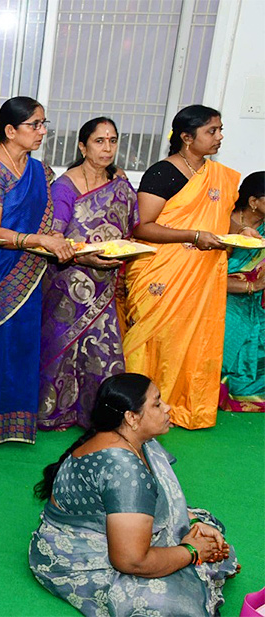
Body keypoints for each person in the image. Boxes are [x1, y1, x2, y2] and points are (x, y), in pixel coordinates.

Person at [29, 373, 239, 616]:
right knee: (172, 603)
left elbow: (162, 498)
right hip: (80, 556)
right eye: (157, 403)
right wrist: (191, 552)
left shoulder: (129, 438)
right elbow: (130, 562)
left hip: (119, 534)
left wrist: (192, 521)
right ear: (131, 417)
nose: (167, 408)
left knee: (207, 532)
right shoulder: (125, 472)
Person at [0, 96, 76, 447]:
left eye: (43, 124)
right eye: (34, 125)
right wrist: (40, 239)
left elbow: (47, 216)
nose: (41, 132)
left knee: (21, 343)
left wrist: (54, 237)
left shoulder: (41, 170)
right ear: (10, 130)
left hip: (31, 270)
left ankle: (12, 420)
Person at [125, 105, 245, 429]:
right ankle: (140, 411)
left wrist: (241, 229)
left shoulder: (217, 177)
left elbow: (221, 220)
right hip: (162, 271)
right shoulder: (161, 173)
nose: (219, 137)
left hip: (203, 273)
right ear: (186, 138)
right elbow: (144, 227)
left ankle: (180, 406)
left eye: (220, 130)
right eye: (212, 131)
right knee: (157, 340)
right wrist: (192, 236)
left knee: (193, 339)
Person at [39, 117, 138, 430]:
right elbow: (55, 236)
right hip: (68, 281)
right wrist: (89, 258)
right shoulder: (65, 186)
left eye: (112, 140)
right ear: (83, 146)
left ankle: (99, 418)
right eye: (99, 141)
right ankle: (54, 413)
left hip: (106, 283)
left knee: (104, 352)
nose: (107, 148)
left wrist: (126, 248)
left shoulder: (119, 185)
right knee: (62, 349)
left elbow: (129, 228)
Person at [220, 170, 265, 412]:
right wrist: (252, 286)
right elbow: (209, 276)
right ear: (253, 202)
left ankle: (253, 394)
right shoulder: (223, 224)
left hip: (260, 301)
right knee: (232, 325)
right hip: (223, 296)